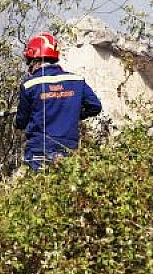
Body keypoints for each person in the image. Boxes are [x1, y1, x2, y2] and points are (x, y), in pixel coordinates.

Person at [11, 32, 102, 171]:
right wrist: (75, 113)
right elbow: (95, 106)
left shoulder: (30, 85)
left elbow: (21, 122)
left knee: (38, 188)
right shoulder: (76, 81)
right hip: (68, 148)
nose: (29, 67)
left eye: (29, 62)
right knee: (64, 190)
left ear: (36, 60)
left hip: (39, 148)